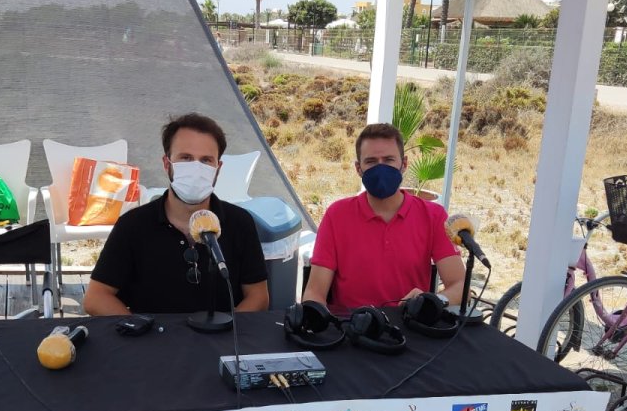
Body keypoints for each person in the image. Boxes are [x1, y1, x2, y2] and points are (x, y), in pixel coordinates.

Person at [83, 113, 270, 316]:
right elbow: (96, 297)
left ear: (218, 168)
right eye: (186, 158)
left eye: (206, 160)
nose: (196, 168)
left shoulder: (240, 222)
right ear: (167, 163)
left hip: (220, 334)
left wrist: (229, 330)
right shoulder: (132, 225)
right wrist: (138, 329)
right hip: (153, 335)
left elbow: (258, 296)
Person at [302, 122, 466, 311]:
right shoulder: (337, 215)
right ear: (358, 168)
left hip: (408, 324)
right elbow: (315, 292)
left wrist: (433, 302)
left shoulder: (433, 216)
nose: (381, 169)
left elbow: (460, 285)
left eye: (388, 160)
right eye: (371, 161)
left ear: (404, 164)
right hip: (350, 324)